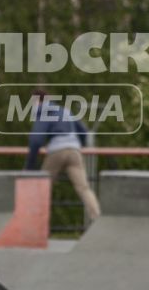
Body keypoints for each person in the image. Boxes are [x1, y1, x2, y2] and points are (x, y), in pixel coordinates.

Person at [23, 88, 101, 223]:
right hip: (74, 151)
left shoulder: (43, 112)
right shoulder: (65, 110)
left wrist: (29, 167)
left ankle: (32, 223)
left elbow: (36, 140)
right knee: (84, 188)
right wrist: (79, 145)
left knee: (42, 188)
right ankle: (98, 218)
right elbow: (83, 131)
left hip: (57, 152)